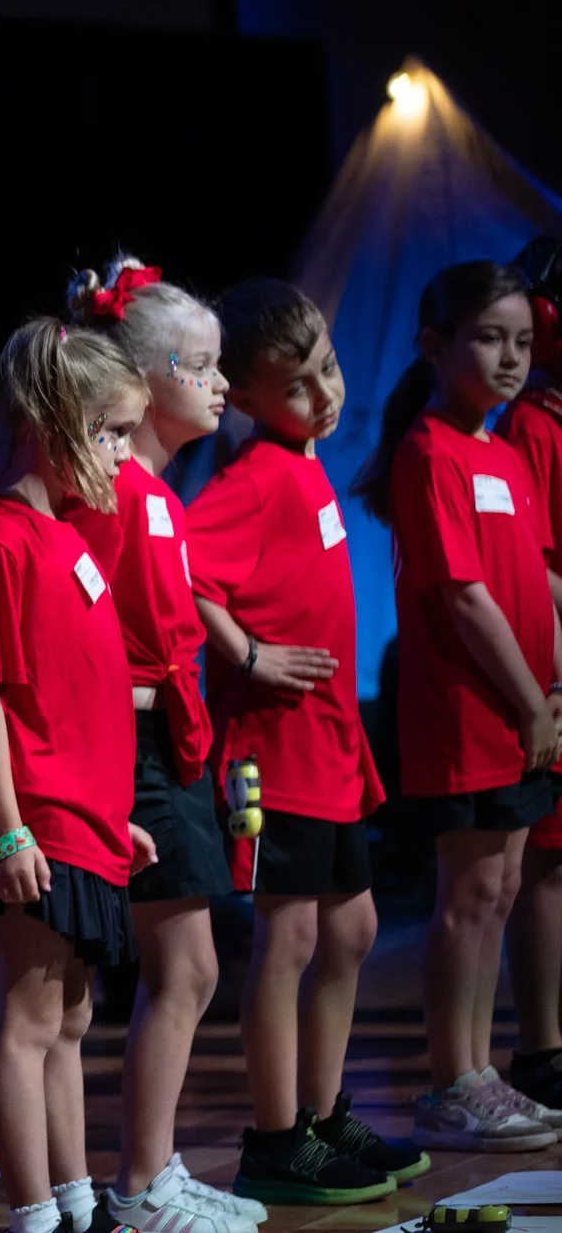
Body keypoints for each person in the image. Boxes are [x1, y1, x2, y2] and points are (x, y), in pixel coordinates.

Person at [187, 279, 413, 1201]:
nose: (323, 395)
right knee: (286, 939)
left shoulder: (305, 464)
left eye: (326, 370)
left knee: (352, 926)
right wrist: (249, 653)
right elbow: (179, 564)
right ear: (241, 399)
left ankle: (322, 1115)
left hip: (326, 747)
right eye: (297, 387)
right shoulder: (255, 477)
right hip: (268, 755)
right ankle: (277, 1139)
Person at [61, 260, 264, 1232]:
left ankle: (153, 1175)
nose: (220, 385)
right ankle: (140, 1187)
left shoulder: (154, 494)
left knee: (190, 970)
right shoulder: (110, 494)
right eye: (202, 365)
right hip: (133, 754)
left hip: (173, 750)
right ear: (146, 377)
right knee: (180, 970)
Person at [0, 317, 153, 1233]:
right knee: (30, 1023)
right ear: (53, 422)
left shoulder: (67, 534)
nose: (123, 453)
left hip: (86, 820)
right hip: (40, 820)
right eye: (110, 432)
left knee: (70, 1023)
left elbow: (82, 691)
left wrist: (116, 817)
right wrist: (7, 826)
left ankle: (77, 1199)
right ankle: (34, 1211)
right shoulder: (2, 537)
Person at [356, 259, 562, 1152]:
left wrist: (552, 687)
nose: (510, 358)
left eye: (521, 341)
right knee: (469, 892)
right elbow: (468, 596)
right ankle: (453, 1079)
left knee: (504, 884)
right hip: (469, 712)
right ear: (436, 346)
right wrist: (529, 701)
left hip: (525, 708)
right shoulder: (429, 450)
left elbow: (536, 583)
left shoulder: (505, 449)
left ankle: (480, 1073)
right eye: (489, 338)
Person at [496, 237, 562, 1109]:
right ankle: (542, 1047)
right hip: (547, 668)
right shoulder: (532, 427)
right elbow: (531, 563)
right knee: (546, 860)